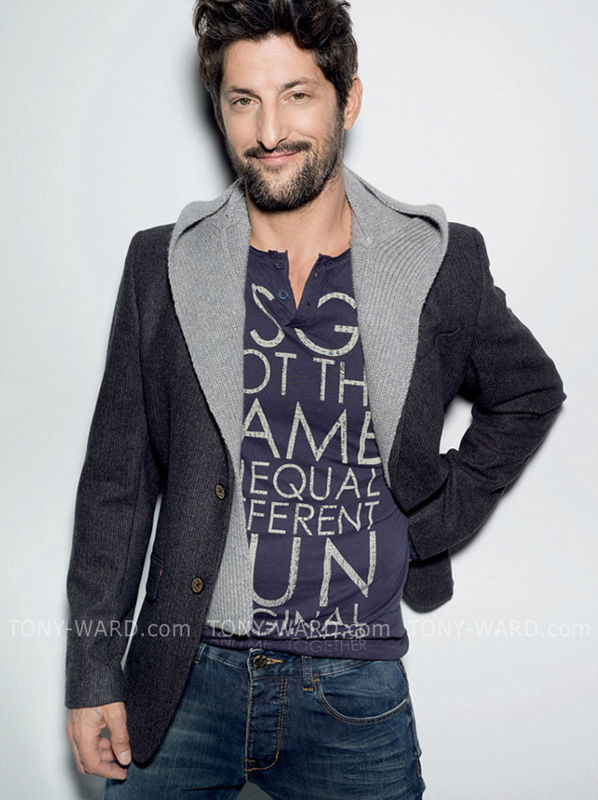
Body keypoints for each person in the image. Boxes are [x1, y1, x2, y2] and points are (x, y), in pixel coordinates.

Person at [65, 1, 566, 797]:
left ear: (348, 100)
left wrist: (436, 515)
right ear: (219, 110)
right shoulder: (162, 264)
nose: (270, 131)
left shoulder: (435, 262)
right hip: (183, 677)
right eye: (244, 100)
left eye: (296, 95)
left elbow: (530, 393)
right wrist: (93, 668)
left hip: (353, 692)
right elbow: (116, 488)